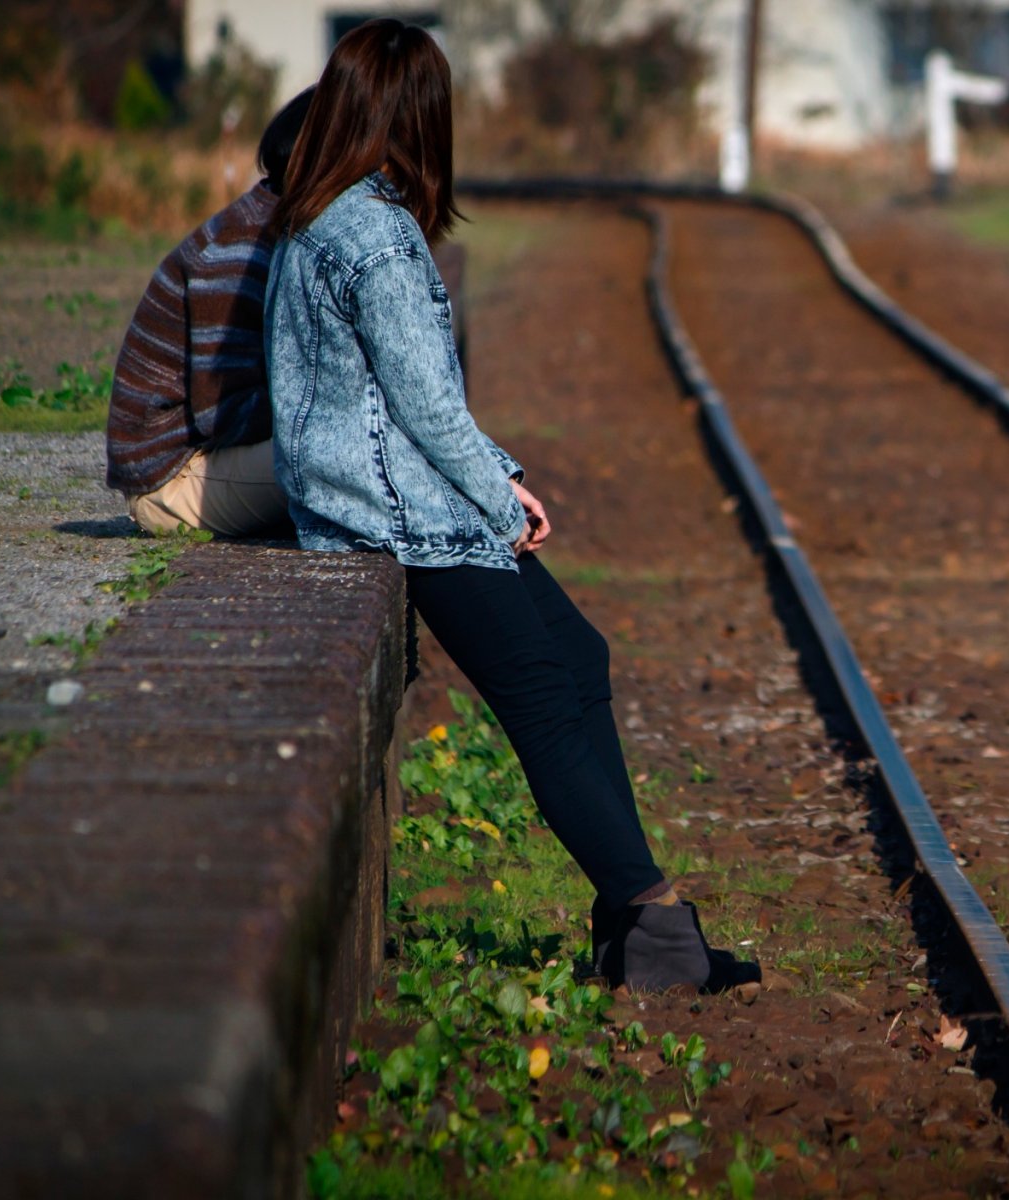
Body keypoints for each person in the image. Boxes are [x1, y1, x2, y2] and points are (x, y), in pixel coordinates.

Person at [262, 19, 755, 994]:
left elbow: (403, 399)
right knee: (539, 690)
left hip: (375, 488)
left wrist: (495, 477)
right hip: (399, 508)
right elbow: (425, 404)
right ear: (418, 117)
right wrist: (497, 489)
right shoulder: (379, 234)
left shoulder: (318, 211)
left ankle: (628, 919)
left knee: (580, 656)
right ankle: (654, 928)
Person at [106, 88, 315, 536]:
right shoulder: (243, 249)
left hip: (205, 461)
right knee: (352, 452)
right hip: (170, 479)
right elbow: (222, 413)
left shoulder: (271, 223)